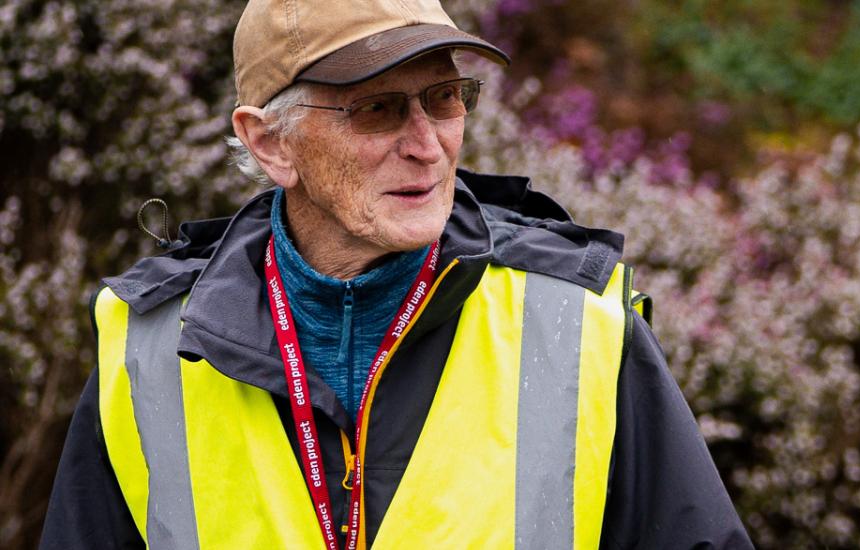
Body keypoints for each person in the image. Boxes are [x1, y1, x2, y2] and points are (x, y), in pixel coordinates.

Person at [38, 0, 750, 547]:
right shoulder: (146, 348)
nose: (427, 146)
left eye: (444, 98)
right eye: (377, 109)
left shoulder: (579, 322)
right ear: (269, 143)